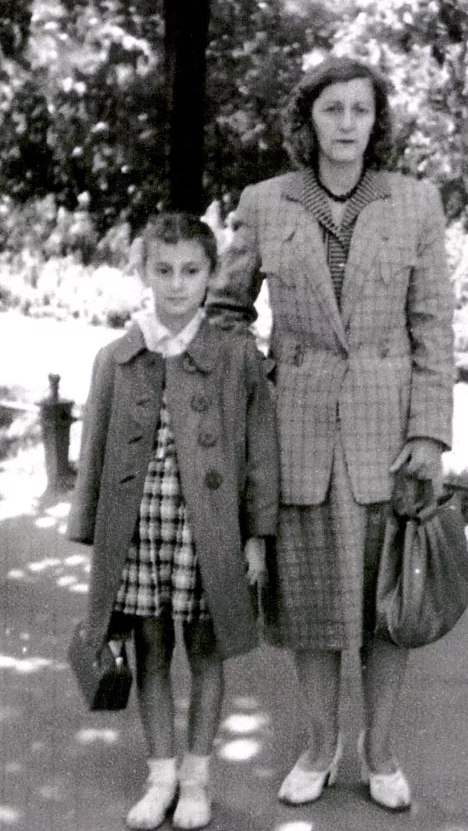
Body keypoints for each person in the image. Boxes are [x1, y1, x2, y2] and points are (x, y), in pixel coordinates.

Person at [208, 55, 455, 810]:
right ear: (307, 119)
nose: (347, 124)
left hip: (392, 435)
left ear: (377, 122)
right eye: (332, 109)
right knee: (312, 609)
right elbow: (225, 313)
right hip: (299, 436)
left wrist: (430, 433)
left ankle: (380, 752)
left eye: (360, 109)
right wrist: (262, 391)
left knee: (389, 608)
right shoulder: (265, 202)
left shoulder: (415, 202)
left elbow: (433, 326)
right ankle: (321, 746)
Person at [66, 213, 279, 831]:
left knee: (207, 653)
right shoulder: (117, 357)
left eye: (191, 271)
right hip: (139, 530)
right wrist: (95, 541)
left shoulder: (237, 357)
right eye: (164, 270)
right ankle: (160, 776)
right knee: (151, 652)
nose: (178, 284)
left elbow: (260, 453)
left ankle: (196, 780)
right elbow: (95, 451)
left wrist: (256, 537)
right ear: (143, 273)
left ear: (212, 275)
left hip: (208, 531)